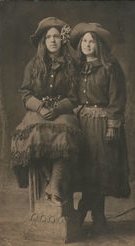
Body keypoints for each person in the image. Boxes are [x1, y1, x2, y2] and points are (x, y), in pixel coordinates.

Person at [11, 17, 83, 206]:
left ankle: (55, 184)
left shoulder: (71, 66)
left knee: (66, 133)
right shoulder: (33, 65)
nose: (53, 40)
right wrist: (40, 107)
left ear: (62, 40)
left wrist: (58, 108)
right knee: (34, 133)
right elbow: (25, 93)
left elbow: (75, 97)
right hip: (38, 110)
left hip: (62, 111)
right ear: (43, 41)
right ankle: (49, 179)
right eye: (49, 37)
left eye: (57, 36)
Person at [70, 22, 130, 233]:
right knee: (87, 169)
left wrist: (113, 125)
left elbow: (117, 98)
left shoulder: (110, 67)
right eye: (84, 41)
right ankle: (97, 217)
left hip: (103, 123)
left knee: (100, 171)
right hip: (82, 124)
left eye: (91, 41)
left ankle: (85, 213)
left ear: (99, 44)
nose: (87, 44)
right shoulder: (76, 68)